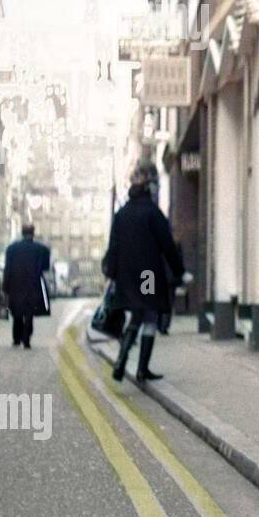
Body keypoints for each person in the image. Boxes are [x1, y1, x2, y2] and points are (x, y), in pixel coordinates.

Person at [102, 163, 185, 383]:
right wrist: (179, 271)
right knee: (149, 314)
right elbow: (167, 246)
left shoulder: (121, 214)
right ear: (150, 186)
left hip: (126, 275)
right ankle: (141, 369)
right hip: (147, 273)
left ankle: (121, 360)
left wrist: (111, 272)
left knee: (136, 314)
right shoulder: (153, 213)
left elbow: (113, 247)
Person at [2, 223, 51, 350]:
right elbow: (45, 267)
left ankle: (16, 338)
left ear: (22, 233)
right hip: (33, 284)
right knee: (29, 312)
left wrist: (5, 286)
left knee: (17, 312)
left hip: (15, 284)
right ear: (33, 233)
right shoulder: (41, 249)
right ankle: (26, 339)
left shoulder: (11, 249)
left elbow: (7, 269)